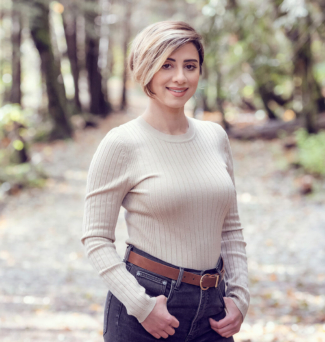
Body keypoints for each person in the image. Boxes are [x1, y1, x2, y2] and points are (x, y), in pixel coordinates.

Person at [81, 20, 250, 341]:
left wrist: (240, 299)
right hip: (147, 305)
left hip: (214, 310)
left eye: (190, 66)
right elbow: (96, 239)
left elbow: (230, 228)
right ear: (146, 70)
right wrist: (141, 306)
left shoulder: (215, 137)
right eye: (166, 65)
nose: (180, 77)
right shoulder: (121, 143)